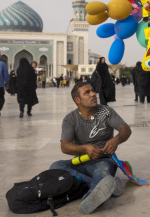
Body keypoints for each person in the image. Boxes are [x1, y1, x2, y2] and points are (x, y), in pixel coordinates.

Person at [49, 82, 132, 214]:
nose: (93, 94)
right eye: (86, 92)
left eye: (92, 91)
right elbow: (64, 146)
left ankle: (89, 200)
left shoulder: (106, 112)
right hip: (81, 161)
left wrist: (116, 140)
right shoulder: (70, 119)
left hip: (103, 161)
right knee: (56, 166)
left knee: (101, 172)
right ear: (77, 100)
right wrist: (85, 149)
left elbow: (125, 129)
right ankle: (107, 185)